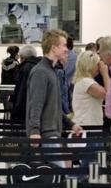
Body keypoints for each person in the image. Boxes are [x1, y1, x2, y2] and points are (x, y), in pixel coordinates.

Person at [26, 29, 82, 167]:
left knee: (59, 175)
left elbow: (53, 107)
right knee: (58, 174)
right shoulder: (41, 72)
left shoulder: (51, 71)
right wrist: (34, 131)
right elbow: (36, 104)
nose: (66, 49)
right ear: (53, 48)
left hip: (51, 134)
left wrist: (71, 124)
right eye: (63, 45)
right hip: (46, 135)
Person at [72, 51, 109, 126]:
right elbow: (108, 94)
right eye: (97, 64)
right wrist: (105, 73)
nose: (99, 67)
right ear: (90, 65)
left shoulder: (83, 81)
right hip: (87, 126)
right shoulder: (86, 82)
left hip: (88, 124)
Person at [10, 45, 41, 123]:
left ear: (22, 57)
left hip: (25, 111)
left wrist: (16, 112)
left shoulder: (25, 68)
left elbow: (22, 91)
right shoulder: (40, 66)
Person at [0, 45, 19, 110]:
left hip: (3, 88)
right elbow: (16, 77)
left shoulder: (4, 62)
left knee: (6, 110)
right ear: (16, 53)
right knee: (12, 111)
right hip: (12, 89)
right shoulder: (15, 63)